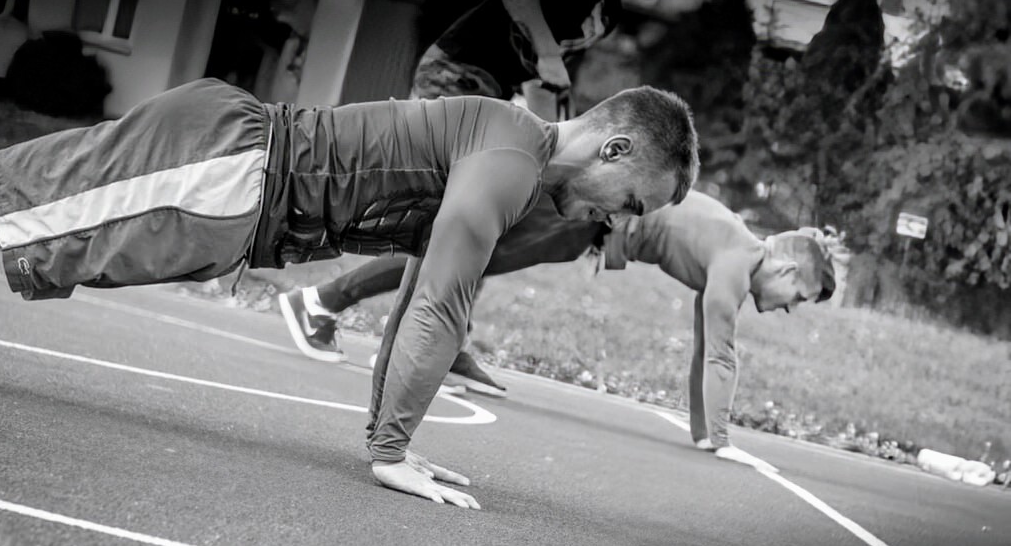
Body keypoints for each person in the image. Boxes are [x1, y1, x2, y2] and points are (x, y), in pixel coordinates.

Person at [0, 76, 700, 508]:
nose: (619, 222)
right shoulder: (509, 161)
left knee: (12, 202)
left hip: (229, 178)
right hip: (226, 164)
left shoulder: (512, 154)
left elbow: (412, 297)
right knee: (15, 209)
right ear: (615, 147)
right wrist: (389, 451)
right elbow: (440, 301)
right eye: (631, 201)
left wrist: (393, 442)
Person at [280, 0, 726, 394]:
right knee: (458, 225)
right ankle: (332, 307)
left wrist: (556, 145)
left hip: (503, 93)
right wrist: (548, 52)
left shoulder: (607, 10)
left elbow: (541, 84)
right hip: (463, 74)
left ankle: (436, 340)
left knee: (495, 222)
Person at [284, 190, 838, 464]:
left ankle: (422, 338)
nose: (789, 308)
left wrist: (706, 433)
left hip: (589, 224)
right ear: (786, 269)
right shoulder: (736, 264)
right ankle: (323, 298)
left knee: (471, 253)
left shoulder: (734, 248)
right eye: (799, 298)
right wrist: (718, 443)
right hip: (588, 219)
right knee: (461, 253)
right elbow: (718, 353)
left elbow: (706, 351)